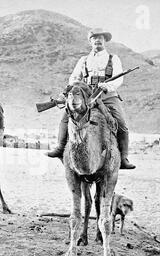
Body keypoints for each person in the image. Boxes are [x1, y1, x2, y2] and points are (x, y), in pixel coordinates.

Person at [47, 28, 136, 169]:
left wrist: (107, 85)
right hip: (86, 96)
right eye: (94, 38)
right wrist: (77, 86)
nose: (97, 40)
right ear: (90, 41)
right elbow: (74, 78)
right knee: (65, 117)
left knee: (121, 123)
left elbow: (119, 79)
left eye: (100, 37)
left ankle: (123, 158)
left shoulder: (114, 59)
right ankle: (60, 147)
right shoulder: (83, 60)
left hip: (107, 96)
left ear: (105, 40)